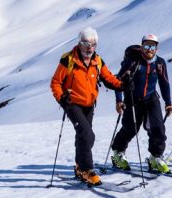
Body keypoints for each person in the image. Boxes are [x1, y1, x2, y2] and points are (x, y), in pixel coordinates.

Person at [50, 27, 122, 186]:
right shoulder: (68, 60)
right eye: (86, 43)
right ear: (79, 43)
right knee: (87, 134)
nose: (89, 47)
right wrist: (62, 98)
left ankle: (79, 167)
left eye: (93, 44)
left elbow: (108, 78)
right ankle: (88, 170)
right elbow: (55, 82)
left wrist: (122, 85)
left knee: (83, 136)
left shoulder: (98, 61)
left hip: (89, 104)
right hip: (72, 103)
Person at [111, 34, 172, 174]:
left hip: (151, 99)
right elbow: (118, 81)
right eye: (146, 46)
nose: (149, 49)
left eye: (152, 46)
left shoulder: (160, 63)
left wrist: (168, 103)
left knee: (158, 128)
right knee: (130, 129)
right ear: (142, 46)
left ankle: (155, 157)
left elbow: (164, 84)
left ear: (157, 48)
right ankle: (118, 153)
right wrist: (119, 100)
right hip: (132, 99)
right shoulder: (133, 61)